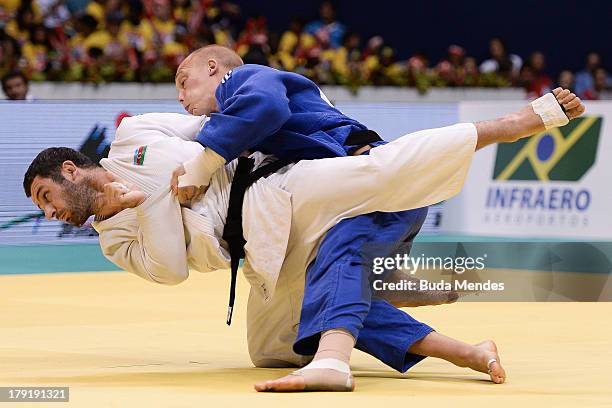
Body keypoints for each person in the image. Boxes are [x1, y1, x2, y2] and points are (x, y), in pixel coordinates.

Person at [23, 87, 584, 391]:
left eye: (46, 196)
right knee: (274, 348)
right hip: (257, 253)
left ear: (71, 169)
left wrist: (204, 167)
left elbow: (215, 131)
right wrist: (145, 204)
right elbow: (171, 268)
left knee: (381, 172)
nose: (50, 213)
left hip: (272, 194)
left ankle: (519, 121)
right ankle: (461, 345)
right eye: (41, 209)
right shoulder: (115, 238)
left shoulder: (133, 134)